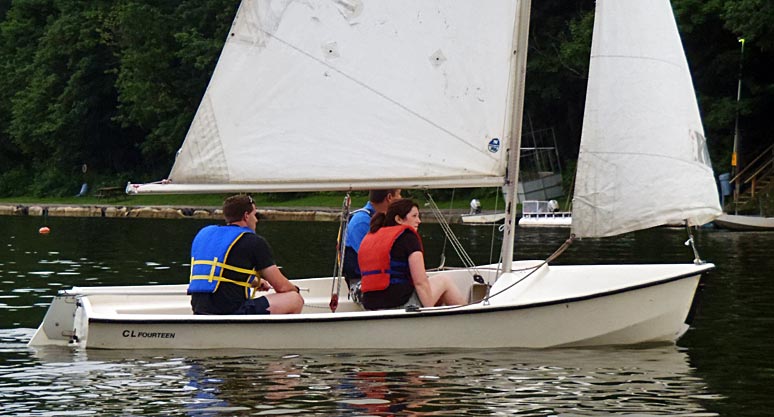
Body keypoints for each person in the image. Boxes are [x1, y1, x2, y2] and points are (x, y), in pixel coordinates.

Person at [189, 195, 304, 315]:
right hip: (231, 311)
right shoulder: (253, 241)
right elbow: (282, 287)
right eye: (255, 215)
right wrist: (296, 290)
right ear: (246, 216)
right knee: (294, 299)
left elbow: (221, 273)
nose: (256, 220)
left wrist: (255, 282)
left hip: (199, 309)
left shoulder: (207, 235)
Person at [357, 199, 466, 310]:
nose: (419, 221)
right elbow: (420, 282)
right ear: (399, 219)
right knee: (444, 280)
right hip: (400, 304)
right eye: (414, 216)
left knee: (435, 292)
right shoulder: (408, 238)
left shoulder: (373, 236)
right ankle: (466, 319)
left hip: (370, 305)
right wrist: (429, 310)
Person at [342, 189, 401, 289]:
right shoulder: (362, 222)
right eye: (399, 194)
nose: (401, 198)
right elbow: (371, 258)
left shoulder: (381, 218)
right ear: (390, 197)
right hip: (360, 282)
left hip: (378, 277)